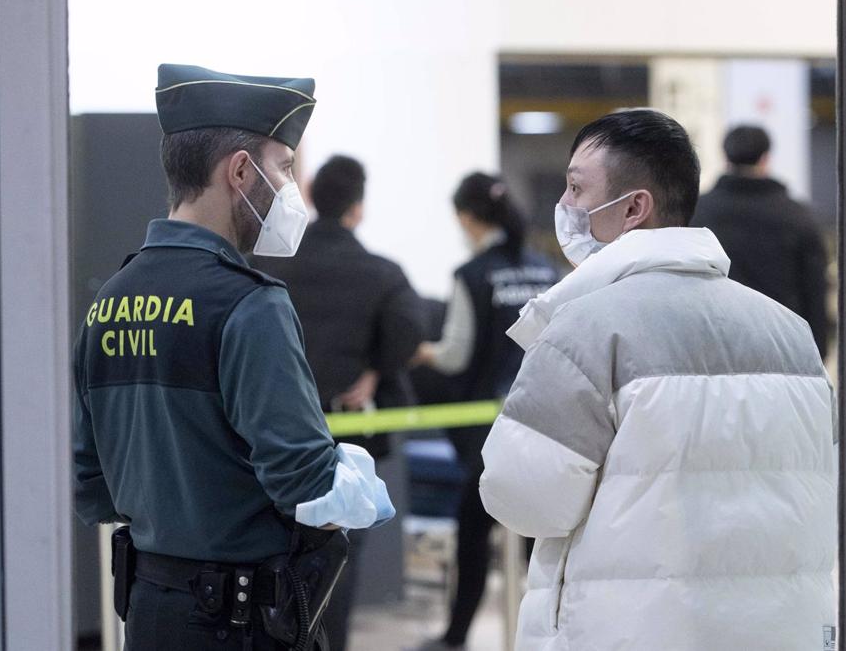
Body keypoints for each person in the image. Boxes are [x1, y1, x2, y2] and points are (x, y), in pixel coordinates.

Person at [479, 109, 837, 651]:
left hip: (629, 629)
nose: (566, 206)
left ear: (633, 208)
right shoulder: (793, 334)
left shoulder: (585, 328)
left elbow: (526, 497)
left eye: (576, 188)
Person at [71, 64, 393, 651]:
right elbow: (307, 486)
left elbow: (94, 487)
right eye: (285, 167)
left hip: (149, 612)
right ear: (241, 171)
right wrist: (359, 485)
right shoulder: (249, 304)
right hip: (243, 623)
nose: (291, 188)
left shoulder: (109, 301)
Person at [252, 154, 426, 651]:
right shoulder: (381, 273)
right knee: (337, 559)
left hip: (271, 433)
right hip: (348, 443)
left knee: (266, 557)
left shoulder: (266, 266)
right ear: (358, 207)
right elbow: (410, 331)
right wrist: (375, 369)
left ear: (309, 196)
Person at [412, 172, 558, 651]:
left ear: (469, 218)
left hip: (490, 432)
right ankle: (553, 633)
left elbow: (455, 353)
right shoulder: (543, 269)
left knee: (474, 531)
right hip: (545, 423)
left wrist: (420, 353)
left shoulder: (472, 275)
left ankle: (455, 636)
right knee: (540, 540)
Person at [691, 125, 830, 357]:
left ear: (725, 157)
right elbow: (814, 290)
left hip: (711, 347)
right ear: (766, 158)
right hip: (781, 348)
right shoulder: (797, 216)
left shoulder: (697, 212)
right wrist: (818, 352)